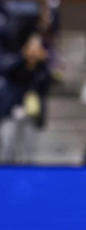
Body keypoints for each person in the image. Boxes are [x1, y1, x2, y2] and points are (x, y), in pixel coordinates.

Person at [0, 33, 51, 164]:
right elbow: (8, 71)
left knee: (30, 152)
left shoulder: (42, 69)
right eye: (31, 48)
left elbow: (46, 85)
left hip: (32, 113)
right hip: (13, 110)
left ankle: (28, 181)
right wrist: (23, 58)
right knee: (8, 147)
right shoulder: (17, 63)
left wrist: (43, 62)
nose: (33, 53)